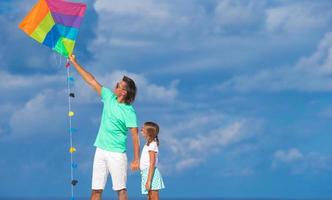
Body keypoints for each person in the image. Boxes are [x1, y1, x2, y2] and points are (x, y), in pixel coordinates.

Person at [69, 55, 140, 200]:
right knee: (96, 191)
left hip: (117, 154)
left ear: (123, 92)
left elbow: (134, 135)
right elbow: (91, 80)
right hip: (100, 150)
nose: (115, 86)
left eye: (118, 85)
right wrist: (75, 62)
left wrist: (136, 159)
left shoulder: (129, 111)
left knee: (121, 191)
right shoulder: (108, 97)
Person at [140, 122, 165, 200]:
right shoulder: (148, 144)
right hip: (145, 174)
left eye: (143, 129)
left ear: (149, 133)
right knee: (149, 197)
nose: (141, 130)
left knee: (154, 198)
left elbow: (152, 163)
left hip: (151, 175)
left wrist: (149, 181)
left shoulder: (152, 145)